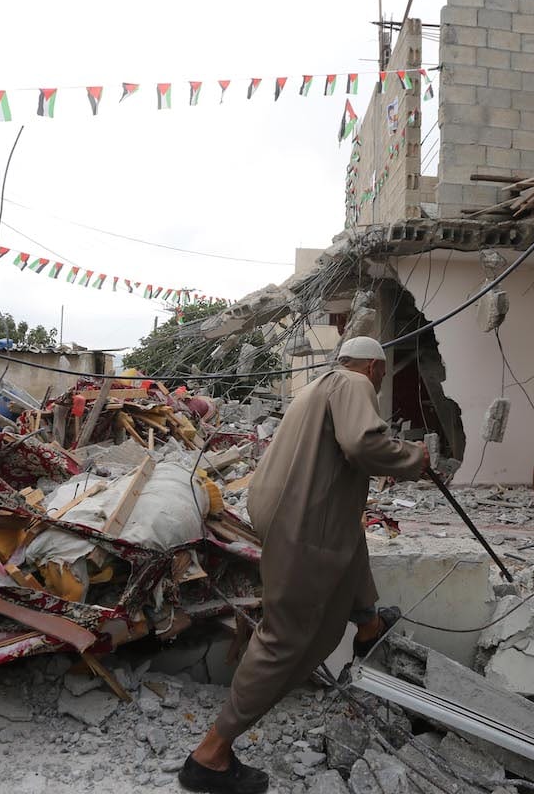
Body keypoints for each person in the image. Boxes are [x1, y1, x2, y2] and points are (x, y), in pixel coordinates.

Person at [179, 336, 427, 794]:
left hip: (294, 510)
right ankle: (210, 755)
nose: (380, 383)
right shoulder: (355, 382)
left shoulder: (316, 387)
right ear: (374, 368)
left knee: (351, 543)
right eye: (384, 376)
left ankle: (369, 625)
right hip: (302, 521)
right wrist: (415, 458)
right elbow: (362, 444)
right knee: (285, 636)